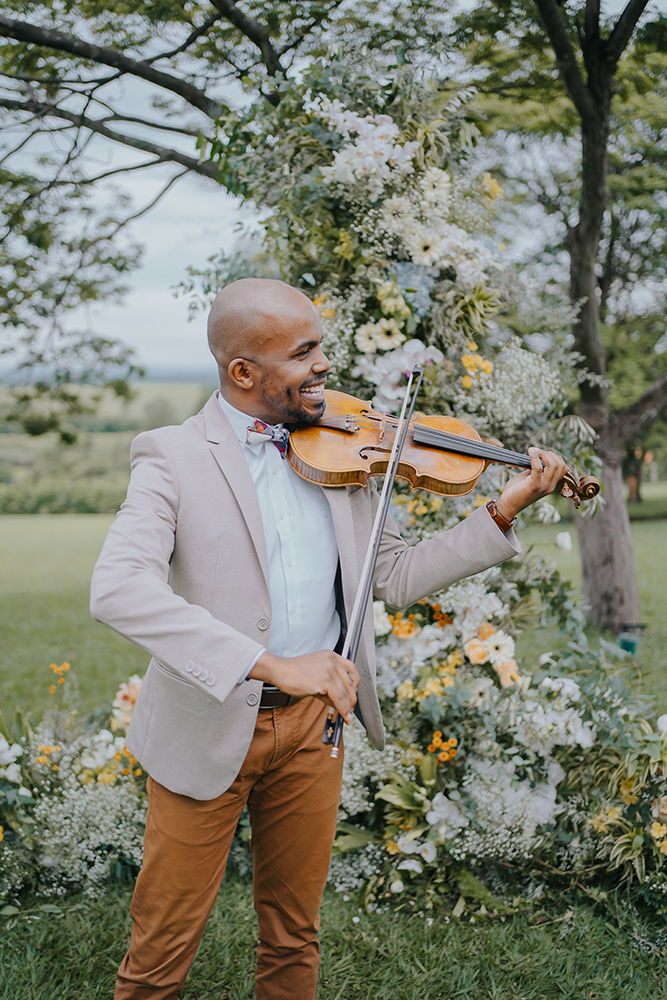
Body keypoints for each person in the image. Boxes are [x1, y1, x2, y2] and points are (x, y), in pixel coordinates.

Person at [90, 278, 568, 1000]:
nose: (323, 366)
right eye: (302, 351)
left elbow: (396, 574)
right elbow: (117, 588)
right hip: (206, 723)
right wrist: (271, 662)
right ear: (242, 371)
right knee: (160, 952)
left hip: (313, 731)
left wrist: (501, 512)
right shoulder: (169, 456)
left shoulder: (340, 448)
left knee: (293, 936)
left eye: (322, 345)